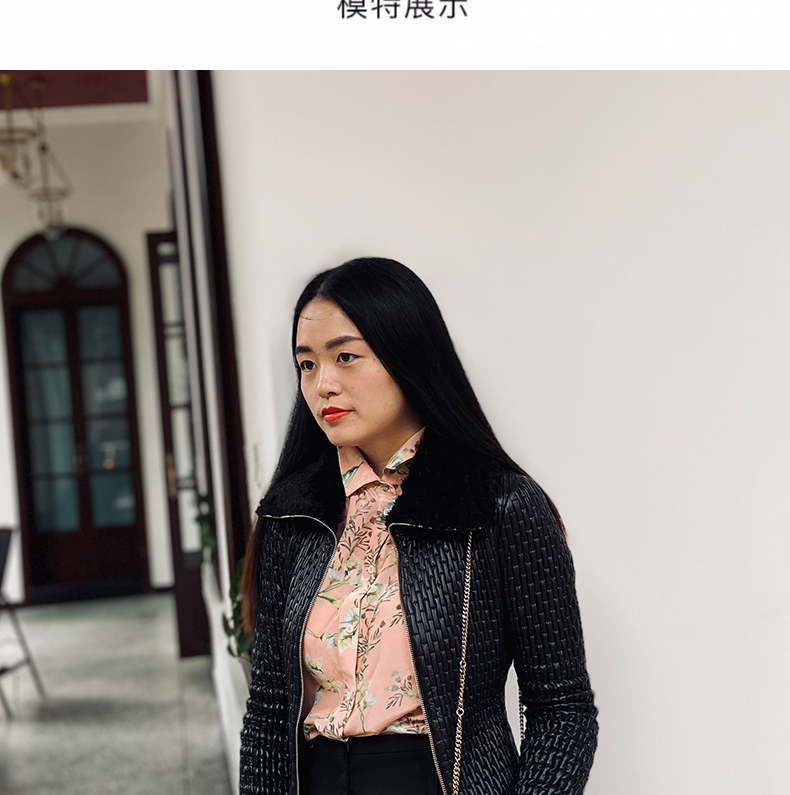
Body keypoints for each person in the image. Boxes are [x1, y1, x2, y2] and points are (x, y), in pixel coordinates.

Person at [238, 257, 599, 795]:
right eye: (307, 364)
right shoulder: (294, 513)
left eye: (345, 356)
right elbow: (270, 706)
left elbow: (561, 708)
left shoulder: (498, 506)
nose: (323, 384)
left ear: (408, 355)